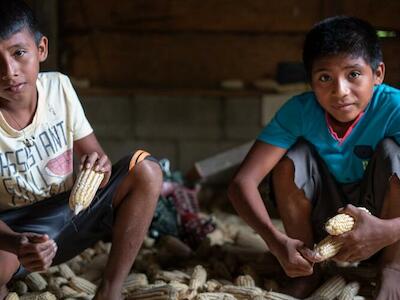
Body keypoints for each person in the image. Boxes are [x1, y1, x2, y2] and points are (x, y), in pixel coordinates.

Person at [228, 15, 400, 299]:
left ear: (378, 73)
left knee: (394, 154)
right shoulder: (299, 112)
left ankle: (393, 267)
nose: (340, 91)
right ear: (310, 82)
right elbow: (242, 183)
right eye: (325, 78)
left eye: (354, 74)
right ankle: (306, 265)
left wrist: (391, 230)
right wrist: (275, 241)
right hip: (325, 218)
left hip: (383, 219)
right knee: (289, 161)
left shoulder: (394, 107)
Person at [0, 1, 163, 299]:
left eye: (19, 53)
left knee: (147, 170)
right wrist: (16, 243)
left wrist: (96, 165)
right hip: (15, 231)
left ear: (42, 49)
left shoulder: (59, 89)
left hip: (72, 210)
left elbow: (98, 167)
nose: (9, 71)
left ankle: (110, 290)